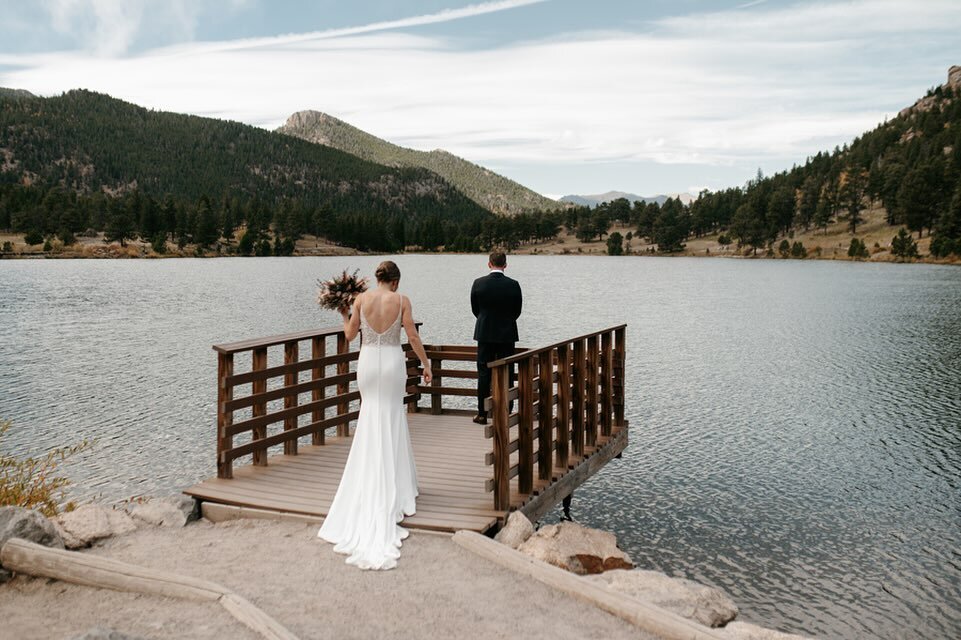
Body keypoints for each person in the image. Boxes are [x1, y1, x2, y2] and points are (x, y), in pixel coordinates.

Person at [317, 260, 432, 570]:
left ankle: (369, 480)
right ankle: (398, 487)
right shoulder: (402, 300)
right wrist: (426, 364)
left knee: (370, 418)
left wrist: (344, 312)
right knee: (393, 417)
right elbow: (412, 337)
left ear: (378, 279)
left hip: (368, 364)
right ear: (395, 281)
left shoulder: (361, 299)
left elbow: (350, 336)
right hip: (392, 363)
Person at [470, 251, 522, 425]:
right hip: (507, 334)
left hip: (484, 333)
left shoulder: (478, 283)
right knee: (507, 372)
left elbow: (475, 309)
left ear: (489, 264)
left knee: (484, 373)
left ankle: (482, 414)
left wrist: (486, 320)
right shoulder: (514, 285)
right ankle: (506, 414)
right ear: (505, 265)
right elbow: (517, 311)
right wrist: (505, 322)